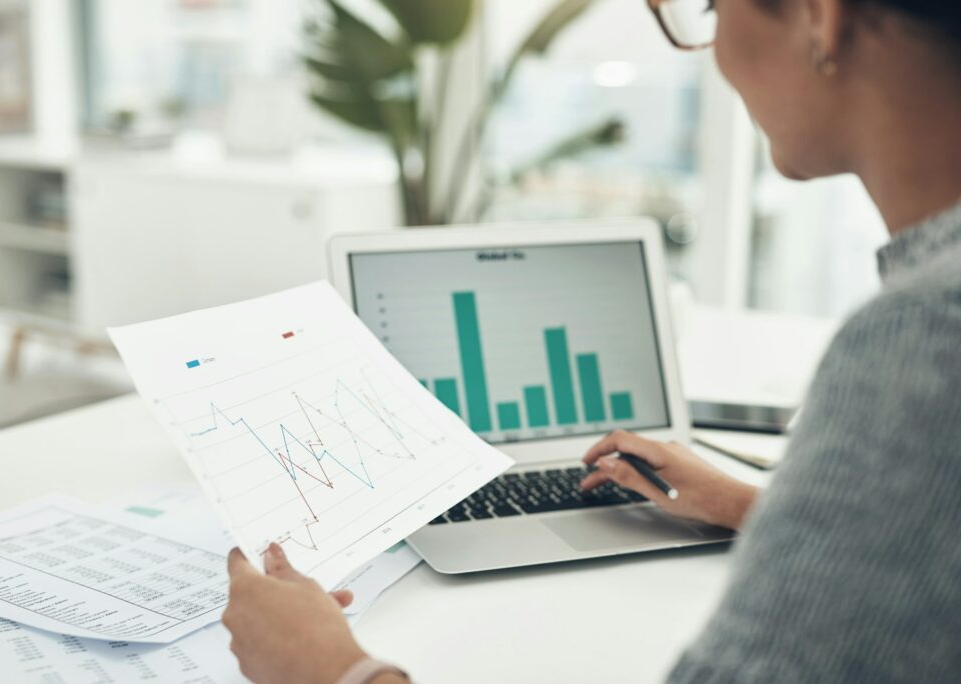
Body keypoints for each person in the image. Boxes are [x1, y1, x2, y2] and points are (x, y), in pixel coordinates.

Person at [222, 0, 961, 681]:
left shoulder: (921, 338)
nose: (711, 49)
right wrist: (756, 507)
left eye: (707, 5)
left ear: (820, 18)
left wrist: (335, 670)